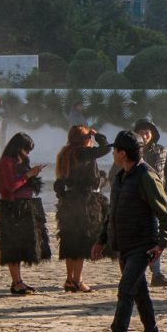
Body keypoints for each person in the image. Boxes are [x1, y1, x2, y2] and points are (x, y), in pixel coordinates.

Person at [92, 131, 167, 332]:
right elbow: (112, 212)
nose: (112, 154)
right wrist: (102, 239)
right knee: (139, 292)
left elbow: (165, 212)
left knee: (126, 289)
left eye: (114, 150)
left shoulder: (146, 176)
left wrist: (162, 243)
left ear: (122, 153)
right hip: (123, 245)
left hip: (143, 245)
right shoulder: (120, 177)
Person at [54, 125, 111, 293]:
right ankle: (78, 280)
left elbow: (59, 183)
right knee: (80, 241)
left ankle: (70, 279)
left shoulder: (65, 153)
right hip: (84, 201)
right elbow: (106, 148)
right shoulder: (83, 153)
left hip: (69, 201)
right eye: (88, 137)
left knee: (70, 241)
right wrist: (97, 134)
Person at [0, 132, 51, 295]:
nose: (27, 154)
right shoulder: (6, 161)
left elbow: (25, 181)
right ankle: (16, 282)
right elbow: (11, 185)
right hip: (13, 207)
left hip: (27, 206)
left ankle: (19, 281)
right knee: (13, 246)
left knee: (22, 245)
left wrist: (33, 175)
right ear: (18, 148)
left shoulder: (23, 161)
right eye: (26, 150)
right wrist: (28, 175)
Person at [132, 119, 167, 288]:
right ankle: (136, 272)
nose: (144, 136)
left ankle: (156, 273)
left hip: (157, 200)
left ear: (153, 134)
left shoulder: (162, 151)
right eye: (141, 132)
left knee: (155, 237)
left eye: (147, 132)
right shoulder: (131, 151)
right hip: (135, 200)